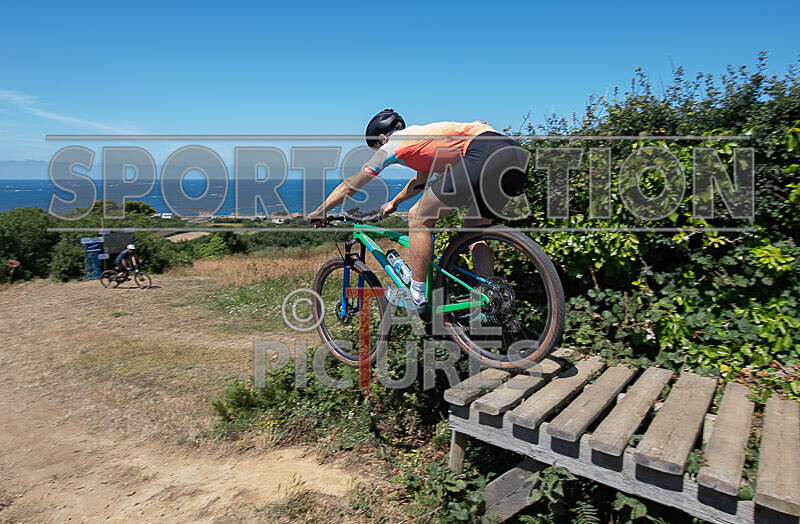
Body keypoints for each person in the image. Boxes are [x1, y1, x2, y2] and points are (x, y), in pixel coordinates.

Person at [308, 109, 529, 309]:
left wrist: (322, 210)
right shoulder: (421, 137)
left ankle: (417, 296)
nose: (378, 150)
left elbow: (352, 184)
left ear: (382, 138)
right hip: (514, 156)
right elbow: (419, 182)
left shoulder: (393, 145)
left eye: (376, 147)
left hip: (483, 152)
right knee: (473, 230)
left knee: (418, 217)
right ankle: (491, 297)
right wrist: (394, 203)